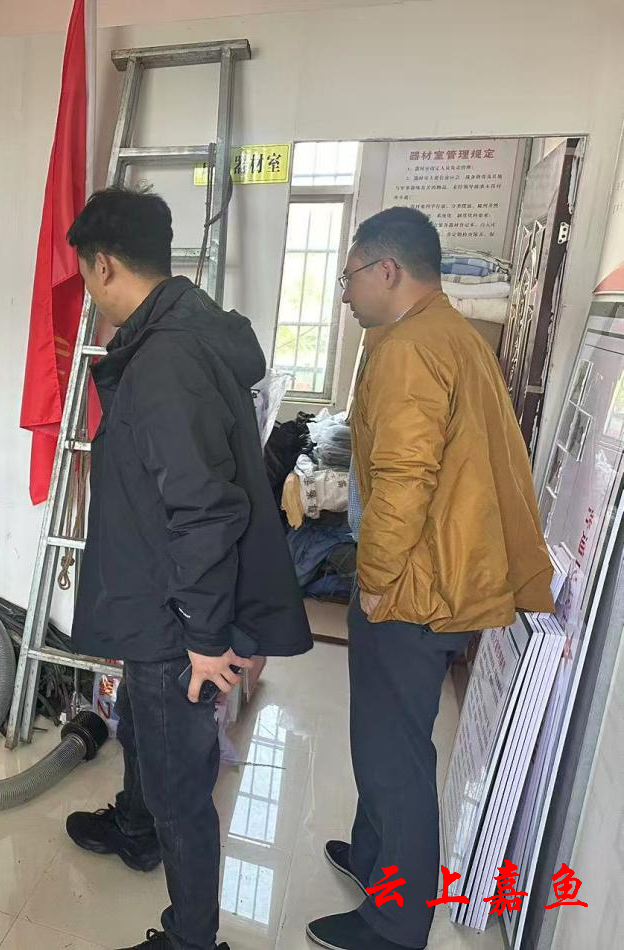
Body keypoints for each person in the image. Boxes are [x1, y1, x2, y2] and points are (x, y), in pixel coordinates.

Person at [62, 187, 313, 950]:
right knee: (142, 728)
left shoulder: (165, 361)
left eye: (85, 274)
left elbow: (204, 508)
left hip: (177, 615)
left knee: (181, 783)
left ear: (105, 265)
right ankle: (136, 827)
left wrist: (205, 636)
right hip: (155, 596)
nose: (87, 290)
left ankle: (192, 936)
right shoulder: (183, 327)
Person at [308, 207, 554, 950]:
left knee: (396, 757)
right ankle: (376, 861)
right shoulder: (449, 333)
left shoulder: (411, 349)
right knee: (388, 739)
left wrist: (377, 579)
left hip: (414, 589)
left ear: (387, 271)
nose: (344, 293)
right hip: (440, 579)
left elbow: (403, 480)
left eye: (350, 275)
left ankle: (395, 923)